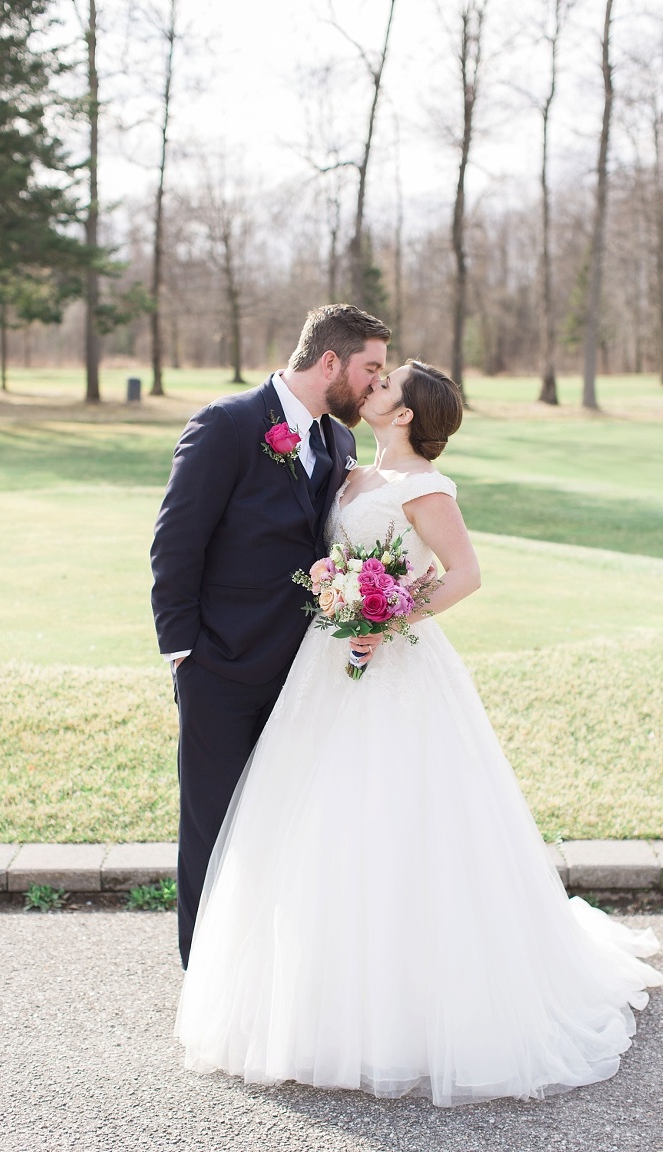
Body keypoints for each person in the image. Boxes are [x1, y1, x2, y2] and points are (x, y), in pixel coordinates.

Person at [175, 359, 663, 1107]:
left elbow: (464, 573)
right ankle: (321, 996)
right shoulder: (345, 473)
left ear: (405, 414)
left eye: (385, 385)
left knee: (405, 822)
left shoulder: (425, 488)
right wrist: (343, 598)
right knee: (320, 823)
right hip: (324, 669)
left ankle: (416, 1004)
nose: (371, 388)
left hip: (396, 666)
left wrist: (388, 615)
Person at [150, 304, 391, 969]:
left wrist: (363, 616)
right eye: (370, 369)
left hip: (306, 674)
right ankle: (205, 977)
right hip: (220, 668)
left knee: (289, 825)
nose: (375, 385)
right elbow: (175, 544)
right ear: (331, 362)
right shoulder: (227, 424)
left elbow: (329, 549)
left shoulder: (338, 444)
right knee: (213, 829)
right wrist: (184, 653)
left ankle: (269, 979)